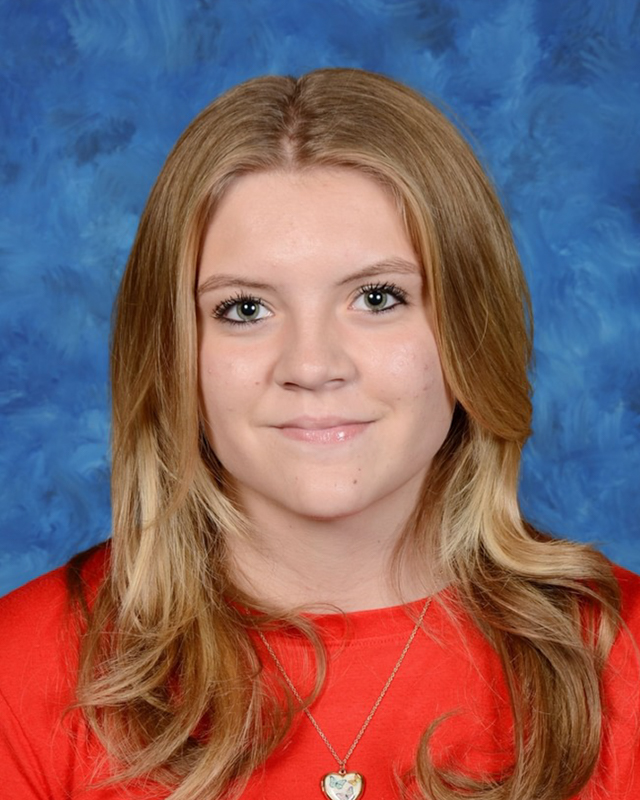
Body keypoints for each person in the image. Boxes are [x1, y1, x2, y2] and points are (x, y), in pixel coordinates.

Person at [0, 67, 638, 800]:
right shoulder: (22, 672)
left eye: (377, 297)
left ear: (469, 330)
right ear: (173, 352)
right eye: (245, 309)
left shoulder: (622, 661)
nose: (312, 366)